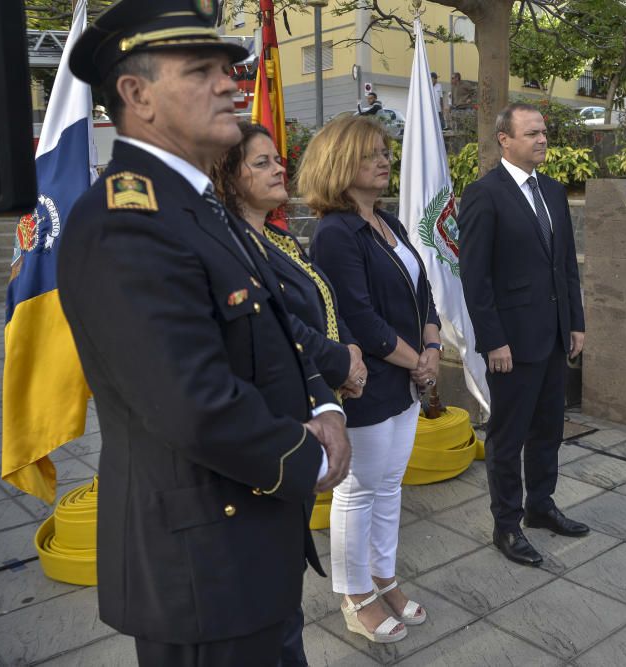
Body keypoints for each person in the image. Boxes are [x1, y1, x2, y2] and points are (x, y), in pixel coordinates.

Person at [60, 2, 351, 665]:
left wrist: (325, 405)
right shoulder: (123, 220)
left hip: (249, 549)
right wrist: (307, 457)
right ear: (137, 96)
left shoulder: (198, 203)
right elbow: (193, 404)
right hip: (201, 570)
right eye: (203, 70)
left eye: (230, 68)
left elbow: (279, 318)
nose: (232, 82)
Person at [210, 121, 368, 666]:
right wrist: (337, 364)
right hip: (279, 418)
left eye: (279, 159)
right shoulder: (229, 245)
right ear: (228, 179)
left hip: (317, 395)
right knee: (267, 588)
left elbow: (324, 301)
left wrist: (347, 354)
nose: (280, 168)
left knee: (285, 581)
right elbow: (283, 329)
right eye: (261, 162)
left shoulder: (278, 236)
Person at [300, 116, 442, 643]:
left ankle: (385, 577)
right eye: (369, 155)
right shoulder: (336, 233)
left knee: (389, 486)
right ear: (340, 164)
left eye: (385, 151)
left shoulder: (387, 222)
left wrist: (430, 344)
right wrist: (419, 360)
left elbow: (423, 288)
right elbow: (358, 318)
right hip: (369, 383)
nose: (384, 161)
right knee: (358, 491)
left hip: (404, 379)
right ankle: (354, 592)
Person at [458, 103, 588, 567]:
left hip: (553, 337)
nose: (542, 139)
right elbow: (475, 278)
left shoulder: (552, 192)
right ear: (504, 140)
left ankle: (541, 506)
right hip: (510, 343)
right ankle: (507, 524)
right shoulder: (483, 195)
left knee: (548, 428)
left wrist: (576, 323)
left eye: (544, 132)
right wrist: (493, 340)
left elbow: (566, 264)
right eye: (532, 133)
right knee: (508, 437)